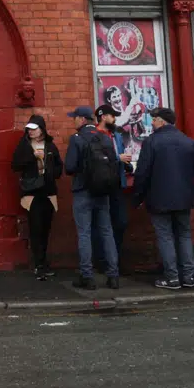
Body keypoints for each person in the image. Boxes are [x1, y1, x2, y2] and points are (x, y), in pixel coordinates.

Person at [133, 108, 194, 290]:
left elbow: (142, 173)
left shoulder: (151, 142)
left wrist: (137, 197)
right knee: (184, 235)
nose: (152, 123)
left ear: (162, 121)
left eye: (154, 119)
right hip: (183, 197)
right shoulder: (187, 141)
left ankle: (172, 278)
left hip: (159, 197)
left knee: (165, 237)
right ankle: (189, 277)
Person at [64, 106, 121, 290]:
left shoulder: (77, 139)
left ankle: (87, 277)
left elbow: (70, 167)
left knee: (85, 233)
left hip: (83, 191)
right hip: (103, 191)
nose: (73, 121)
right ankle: (113, 276)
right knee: (106, 231)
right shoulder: (104, 137)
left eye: (75, 118)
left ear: (82, 120)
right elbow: (113, 162)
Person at [11, 115, 60, 279]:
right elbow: (15, 165)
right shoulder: (24, 146)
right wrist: (32, 158)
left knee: (46, 228)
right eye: (29, 129)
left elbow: (59, 167)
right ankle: (39, 264)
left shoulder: (50, 146)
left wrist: (52, 171)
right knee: (35, 227)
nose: (31, 131)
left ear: (42, 130)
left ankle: (43, 262)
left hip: (48, 191)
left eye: (34, 128)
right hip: (31, 192)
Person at [95, 105, 134, 271]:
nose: (115, 119)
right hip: (101, 185)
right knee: (102, 224)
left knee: (121, 222)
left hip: (117, 184)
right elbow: (96, 160)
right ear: (103, 117)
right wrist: (118, 158)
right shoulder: (94, 135)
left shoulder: (116, 135)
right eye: (112, 116)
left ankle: (115, 260)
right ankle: (103, 261)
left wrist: (127, 165)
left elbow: (121, 155)